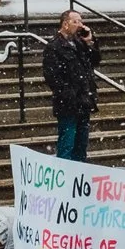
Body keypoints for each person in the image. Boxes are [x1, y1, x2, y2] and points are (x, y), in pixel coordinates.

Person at [42, 8, 101, 162]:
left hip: (84, 101)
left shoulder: (79, 44)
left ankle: (78, 173)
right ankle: (66, 175)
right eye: (76, 21)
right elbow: (52, 76)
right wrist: (68, 94)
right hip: (68, 104)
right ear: (65, 24)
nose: (80, 25)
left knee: (81, 144)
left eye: (81, 21)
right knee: (67, 142)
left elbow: (95, 60)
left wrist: (90, 42)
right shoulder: (54, 46)